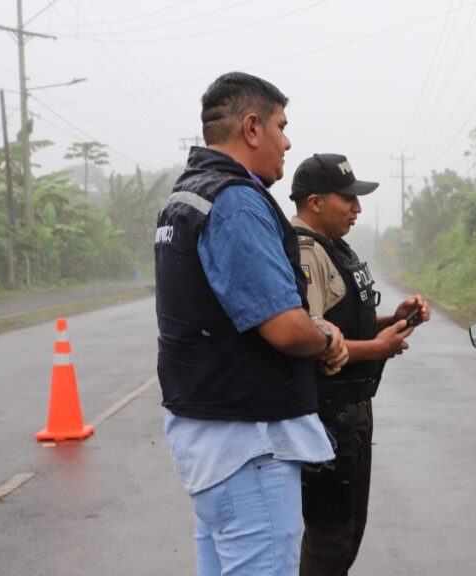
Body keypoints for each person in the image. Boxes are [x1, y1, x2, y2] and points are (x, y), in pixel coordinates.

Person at [155, 72, 349, 576]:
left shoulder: (186, 197)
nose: (287, 141)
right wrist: (325, 336)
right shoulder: (237, 202)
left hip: (208, 445)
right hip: (248, 447)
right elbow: (284, 327)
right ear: (252, 128)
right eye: (281, 126)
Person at [289, 153, 431, 576]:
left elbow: (341, 320)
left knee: (349, 530)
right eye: (347, 199)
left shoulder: (335, 247)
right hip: (327, 413)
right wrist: (378, 348)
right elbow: (311, 342)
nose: (357, 208)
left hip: (353, 411)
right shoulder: (303, 251)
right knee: (330, 536)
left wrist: (395, 319)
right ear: (315, 202)